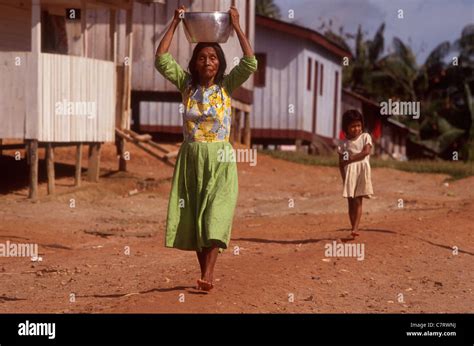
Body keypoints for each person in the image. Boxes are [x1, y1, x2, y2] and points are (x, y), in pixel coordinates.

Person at [155, 5, 257, 291]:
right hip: (191, 158)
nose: (208, 62)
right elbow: (161, 59)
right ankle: (204, 274)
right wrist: (175, 22)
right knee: (198, 217)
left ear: (219, 62)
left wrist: (236, 26)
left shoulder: (226, 86)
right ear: (195, 63)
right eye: (202, 58)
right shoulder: (186, 86)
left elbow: (250, 63)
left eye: (213, 57)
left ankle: (209, 274)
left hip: (221, 159)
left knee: (216, 215)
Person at [338, 110, 374, 238]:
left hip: (361, 171)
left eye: (358, 125)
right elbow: (341, 162)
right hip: (349, 174)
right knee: (350, 201)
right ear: (346, 127)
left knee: (358, 200)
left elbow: (365, 152)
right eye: (353, 126)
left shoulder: (365, 137)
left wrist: (351, 159)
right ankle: (352, 226)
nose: (356, 128)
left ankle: (355, 228)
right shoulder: (343, 144)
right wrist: (343, 177)